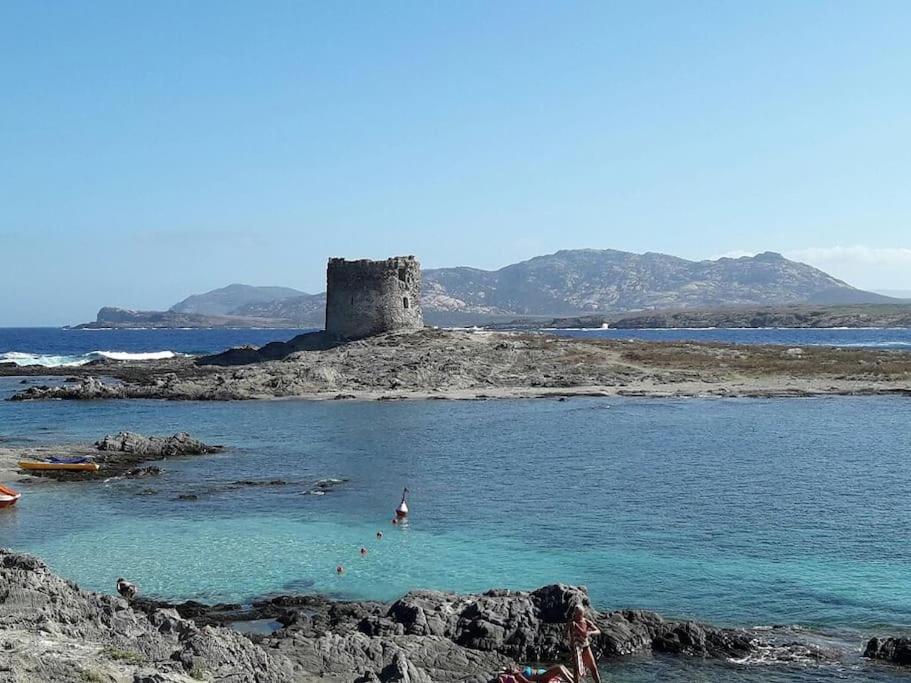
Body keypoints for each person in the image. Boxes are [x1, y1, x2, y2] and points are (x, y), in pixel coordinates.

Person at [567, 604, 601, 683]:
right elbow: (566, 633)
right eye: (576, 614)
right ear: (574, 613)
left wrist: (590, 632)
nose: (578, 616)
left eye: (580, 614)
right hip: (576, 647)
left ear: (583, 613)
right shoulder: (572, 622)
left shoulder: (585, 621)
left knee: (593, 667)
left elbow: (598, 631)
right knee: (576, 670)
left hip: (586, 646)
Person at [499, 663, 573, 682]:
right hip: (541, 676)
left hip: (544, 672)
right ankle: (572, 681)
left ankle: (574, 678)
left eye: (512, 667)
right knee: (559, 668)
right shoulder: (519, 675)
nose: (513, 668)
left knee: (561, 665)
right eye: (511, 669)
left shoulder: (522, 669)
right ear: (511, 672)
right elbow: (526, 681)